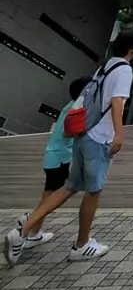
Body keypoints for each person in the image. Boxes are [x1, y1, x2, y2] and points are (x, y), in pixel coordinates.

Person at [4, 28, 133, 267]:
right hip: (100, 138)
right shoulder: (125, 69)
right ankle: (81, 244)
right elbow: (118, 101)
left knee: (70, 186)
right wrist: (119, 133)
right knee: (94, 191)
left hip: (83, 135)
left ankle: (24, 229)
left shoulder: (105, 66)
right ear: (132, 49)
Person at [17, 75, 93, 250]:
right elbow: (68, 133)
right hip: (59, 159)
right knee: (54, 196)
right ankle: (30, 222)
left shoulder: (70, 106)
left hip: (54, 157)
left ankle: (34, 231)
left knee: (50, 194)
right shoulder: (77, 109)